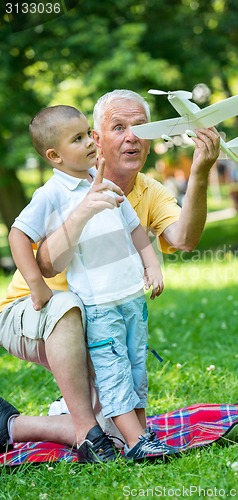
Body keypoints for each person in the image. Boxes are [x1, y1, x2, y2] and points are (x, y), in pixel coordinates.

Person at [0, 89, 220, 462]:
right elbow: (47, 265)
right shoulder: (62, 191)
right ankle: (80, 430)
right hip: (35, 315)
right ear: (98, 140)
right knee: (68, 305)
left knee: (121, 428)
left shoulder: (146, 191)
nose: (132, 137)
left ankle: (35, 422)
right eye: (118, 127)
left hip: (99, 313)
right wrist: (83, 211)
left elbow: (183, 238)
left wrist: (199, 171)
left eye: (141, 128)